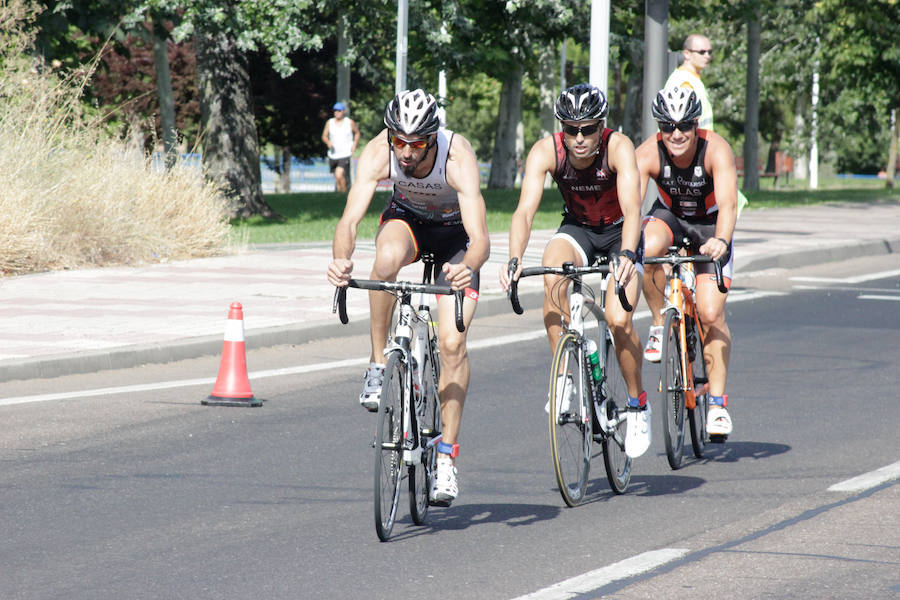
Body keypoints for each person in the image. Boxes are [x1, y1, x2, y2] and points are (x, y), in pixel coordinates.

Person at [327, 89, 490, 505]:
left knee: (453, 344)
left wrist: (467, 266)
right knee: (385, 259)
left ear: (432, 139)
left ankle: (447, 458)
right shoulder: (380, 151)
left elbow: (481, 238)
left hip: (457, 239)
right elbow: (350, 218)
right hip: (409, 222)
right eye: (398, 140)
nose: (405, 152)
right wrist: (341, 261)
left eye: (415, 144)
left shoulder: (457, 156)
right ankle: (379, 362)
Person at [499, 83, 651, 459]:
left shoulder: (619, 147)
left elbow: (633, 210)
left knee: (618, 320)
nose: (579, 138)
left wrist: (629, 256)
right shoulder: (545, 152)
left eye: (588, 129)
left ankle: (637, 404)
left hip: (620, 234)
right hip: (579, 229)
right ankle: (565, 376)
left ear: (601, 126)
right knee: (552, 271)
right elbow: (524, 211)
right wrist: (514, 259)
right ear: (561, 128)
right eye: (570, 129)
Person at [635, 85, 737, 438]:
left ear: (696, 125)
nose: (676, 134)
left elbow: (728, 205)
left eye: (684, 126)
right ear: (659, 127)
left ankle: (718, 404)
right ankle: (660, 323)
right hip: (671, 218)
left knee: (710, 314)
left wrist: (721, 241)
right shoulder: (648, 152)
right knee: (644, 247)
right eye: (667, 126)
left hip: (710, 225)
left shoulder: (716, 149)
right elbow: (629, 204)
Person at [666, 34, 714, 130]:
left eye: (709, 52)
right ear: (687, 54)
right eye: (702, 52)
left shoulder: (692, 79)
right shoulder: (684, 82)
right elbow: (681, 126)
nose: (707, 56)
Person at [321, 102, 361, 192]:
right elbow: (324, 136)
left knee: (339, 174)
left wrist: (354, 145)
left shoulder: (349, 122)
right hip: (333, 154)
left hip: (345, 153)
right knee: (337, 177)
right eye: (335, 111)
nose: (337, 112)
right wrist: (328, 143)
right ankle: (340, 195)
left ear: (343, 111)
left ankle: (343, 193)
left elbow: (357, 133)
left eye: (339, 111)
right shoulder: (329, 123)